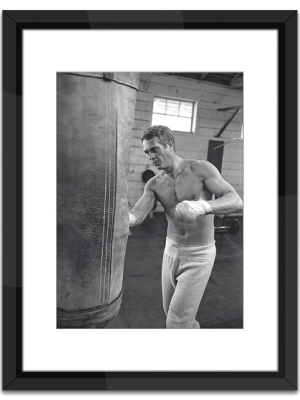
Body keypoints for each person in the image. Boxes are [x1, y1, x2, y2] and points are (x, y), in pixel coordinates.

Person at [129, 125, 243, 329]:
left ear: (169, 144)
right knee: (175, 316)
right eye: (147, 152)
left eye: (154, 149)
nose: (150, 156)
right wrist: (114, 217)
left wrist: (201, 206)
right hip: (170, 253)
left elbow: (235, 200)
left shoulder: (200, 169)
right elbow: (136, 215)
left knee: (176, 321)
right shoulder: (154, 184)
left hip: (199, 255)